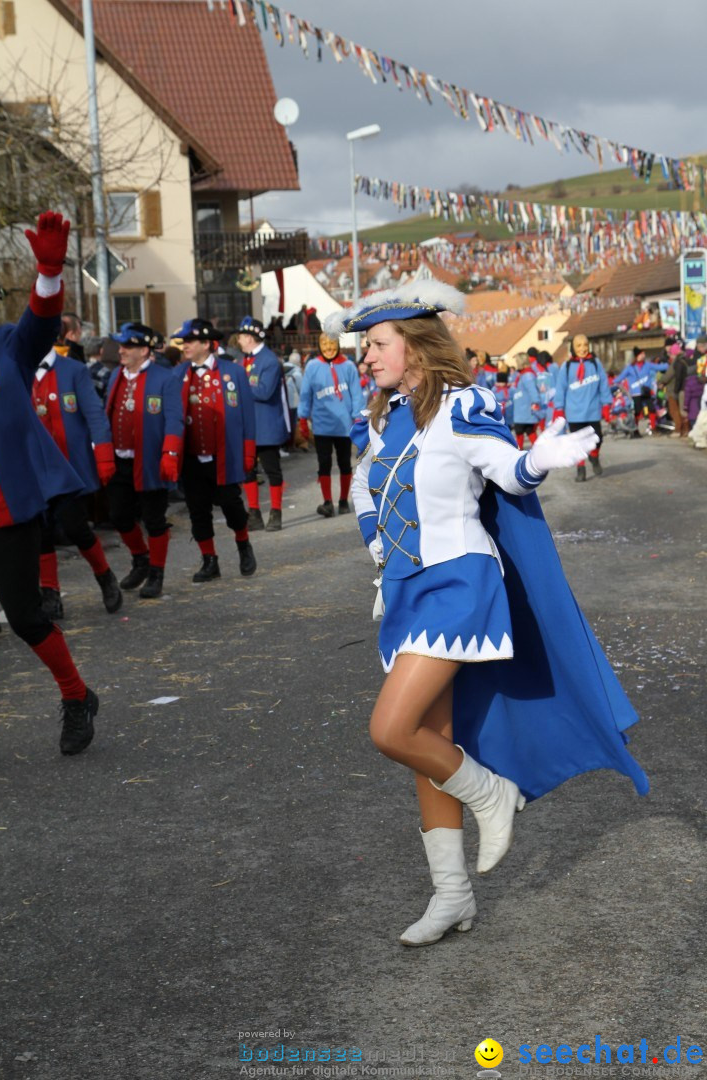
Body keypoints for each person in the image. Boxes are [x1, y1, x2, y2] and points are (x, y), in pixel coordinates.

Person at [325, 282, 647, 948]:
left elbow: (504, 470)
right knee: (425, 741)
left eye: (377, 345)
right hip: (408, 590)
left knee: (389, 727)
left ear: (414, 346)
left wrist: (538, 459)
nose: (368, 359)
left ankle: (493, 792)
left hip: (460, 586)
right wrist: (380, 551)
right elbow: (366, 483)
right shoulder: (388, 413)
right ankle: (452, 895)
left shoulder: (462, 404)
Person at [0, 212, 99, 761]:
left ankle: (77, 697)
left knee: (26, 616)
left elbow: (39, 320)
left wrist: (50, 271)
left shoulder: (5, 347)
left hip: (6, 508)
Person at [32, 331, 121, 619]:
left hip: (69, 468)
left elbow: (95, 414)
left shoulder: (74, 370)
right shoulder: (19, 371)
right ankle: (50, 593)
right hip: (35, 468)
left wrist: (104, 455)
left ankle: (104, 575)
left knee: (76, 528)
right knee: (42, 533)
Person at [172, 318, 257, 582]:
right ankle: (210, 560)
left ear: (206, 344)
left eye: (190, 341)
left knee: (232, 506)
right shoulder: (178, 374)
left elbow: (247, 416)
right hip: (192, 458)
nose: (184, 346)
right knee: (198, 511)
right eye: (184, 341)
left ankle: (243, 545)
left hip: (224, 456)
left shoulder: (234, 372)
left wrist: (248, 452)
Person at [105, 323, 184, 599]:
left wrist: (170, 453)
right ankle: (140, 559)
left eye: (127, 346)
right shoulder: (116, 374)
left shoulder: (165, 378)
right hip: (120, 460)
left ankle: (156, 573)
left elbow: (174, 419)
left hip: (150, 460)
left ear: (143, 349)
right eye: (121, 345)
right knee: (119, 515)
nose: (121, 350)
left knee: (154, 519)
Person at [297, 333, 363, 517]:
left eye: (331, 344)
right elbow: (306, 393)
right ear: (319, 345)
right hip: (321, 425)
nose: (328, 348)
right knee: (324, 463)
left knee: (344, 463)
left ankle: (343, 500)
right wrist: (302, 417)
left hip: (343, 425)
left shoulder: (349, 366)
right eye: (324, 344)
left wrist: (358, 418)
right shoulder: (312, 366)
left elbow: (357, 394)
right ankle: (327, 502)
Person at [236, 316, 290, 532]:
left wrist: (238, 385)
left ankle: (276, 513)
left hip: (266, 425)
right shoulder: (245, 359)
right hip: (247, 426)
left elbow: (265, 391)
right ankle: (254, 513)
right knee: (247, 471)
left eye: (241, 336)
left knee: (272, 470)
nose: (238, 340)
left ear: (249, 338)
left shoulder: (268, 360)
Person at [553, 334, 612, 481]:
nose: (583, 348)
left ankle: (594, 456)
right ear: (573, 347)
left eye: (585, 345)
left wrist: (606, 404)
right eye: (579, 345)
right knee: (578, 443)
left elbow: (603, 384)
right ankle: (581, 469)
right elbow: (560, 389)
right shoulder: (566, 367)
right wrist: (559, 408)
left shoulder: (595, 363)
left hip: (592, 410)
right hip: (574, 413)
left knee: (598, 438)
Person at [612, 347, 668, 438]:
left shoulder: (647, 365)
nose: (644, 355)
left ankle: (653, 428)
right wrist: (610, 382)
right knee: (638, 411)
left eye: (644, 354)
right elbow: (621, 377)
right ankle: (635, 430)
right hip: (636, 393)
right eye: (642, 354)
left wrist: (671, 363)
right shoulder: (630, 367)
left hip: (646, 391)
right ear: (637, 356)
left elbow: (659, 367)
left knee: (652, 409)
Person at [510, 352, 541, 449]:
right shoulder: (522, 374)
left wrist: (535, 402)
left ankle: (521, 452)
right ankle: (537, 451)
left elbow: (533, 391)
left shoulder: (527, 375)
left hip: (525, 410)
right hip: (521, 409)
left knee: (522, 432)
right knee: (528, 432)